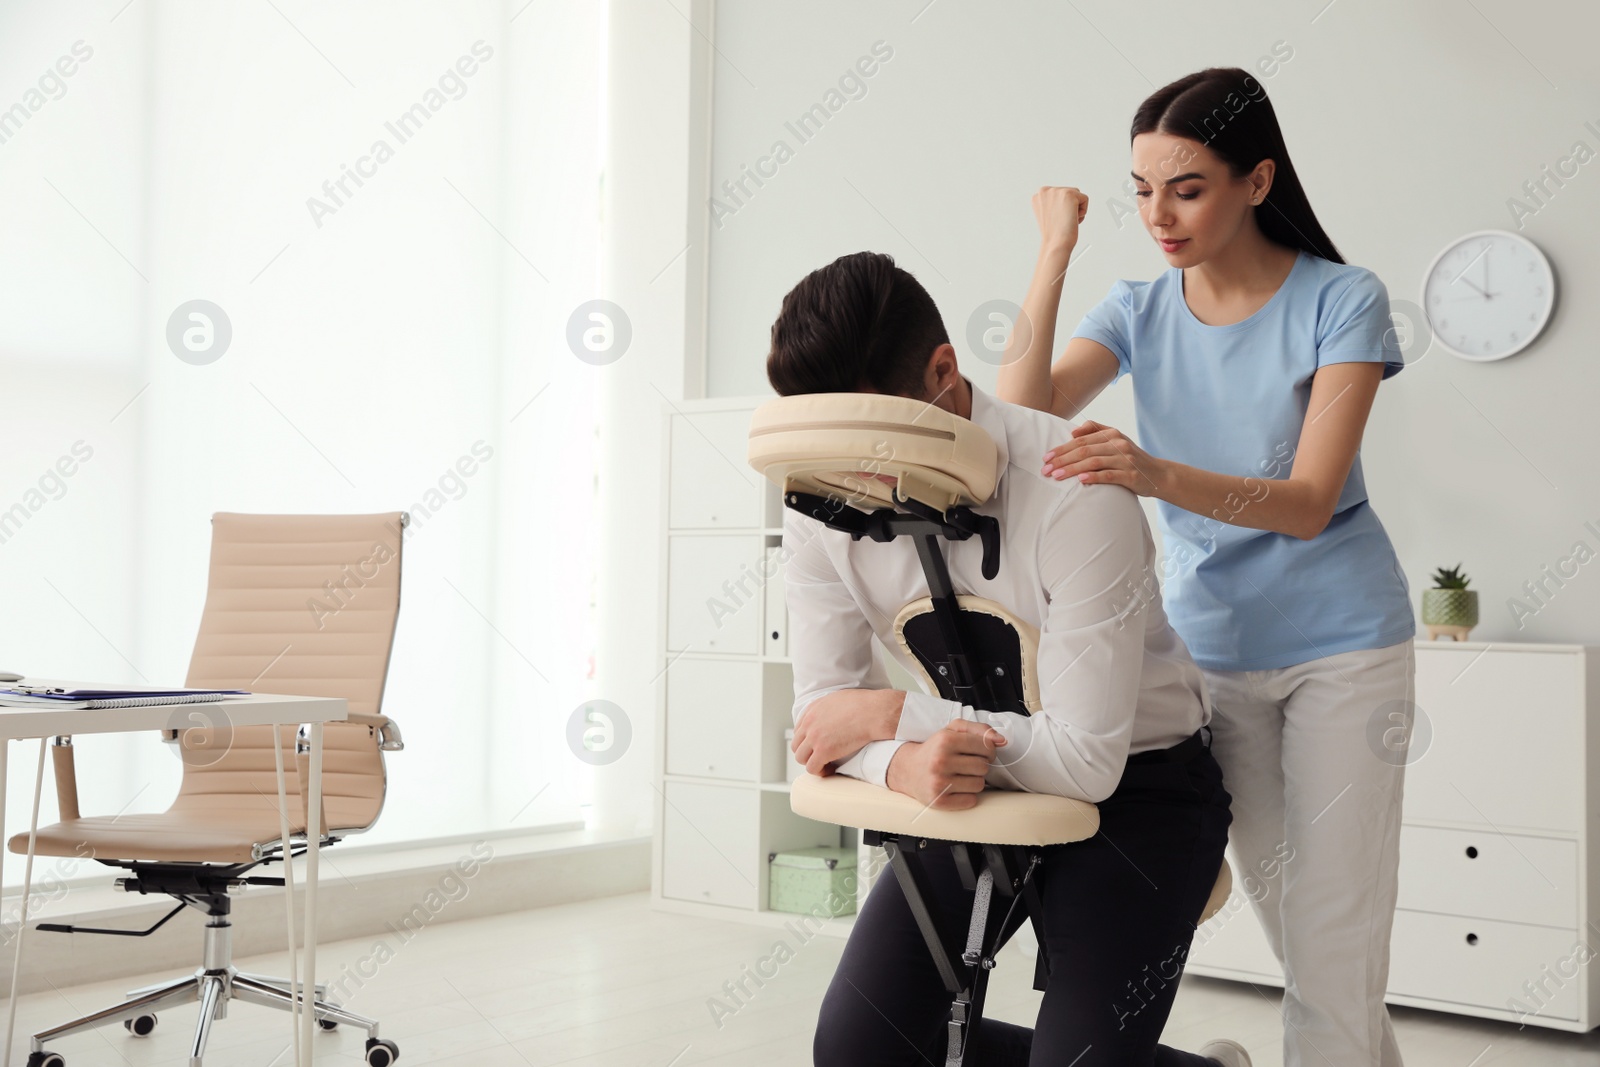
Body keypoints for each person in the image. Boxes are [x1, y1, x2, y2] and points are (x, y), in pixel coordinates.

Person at [995, 67, 1415, 1067]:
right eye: (1140, 190)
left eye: (1185, 188)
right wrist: (1054, 254)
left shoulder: (1339, 299)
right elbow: (1019, 422)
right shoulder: (1140, 307)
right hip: (1213, 654)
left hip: (1343, 646)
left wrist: (1150, 471)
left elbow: (1310, 500)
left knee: (1332, 929)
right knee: (1295, 924)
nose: (1156, 213)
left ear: (1256, 181)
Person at [771, 250, 1251, 1066]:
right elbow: (821, 718)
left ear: (943, 372)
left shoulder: (1077, 489)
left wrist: (892, 715)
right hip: (954, 773)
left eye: (870, 440)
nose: (854, 478)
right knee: (858, 1053)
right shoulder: (826, 495)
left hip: (1140, 786)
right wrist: (900, 762)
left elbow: (1085, 759)